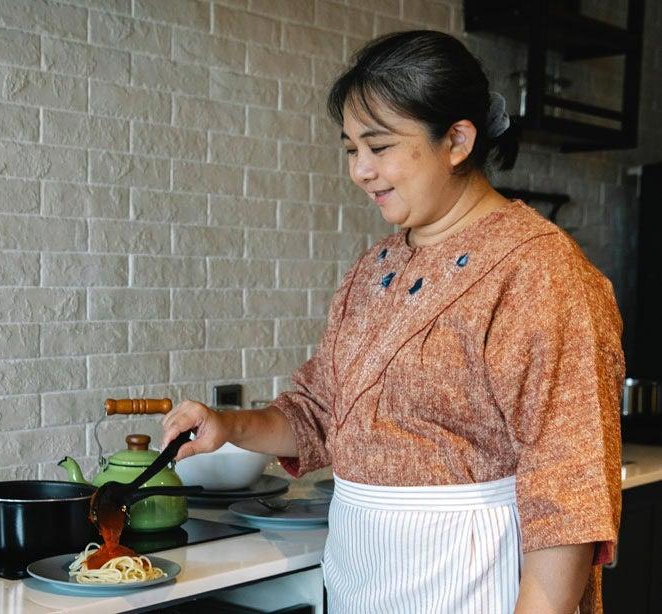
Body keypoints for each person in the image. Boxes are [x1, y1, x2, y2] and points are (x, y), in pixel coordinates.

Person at [162, 30, 623, 614]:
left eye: (379, 146)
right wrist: (227, 425)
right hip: (365, 570)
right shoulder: (376, 267)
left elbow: (568, 489)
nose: (361, 170)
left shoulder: (540, 272)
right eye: (351, 148)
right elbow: (319, 411)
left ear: (456, 140)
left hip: (477, 576)